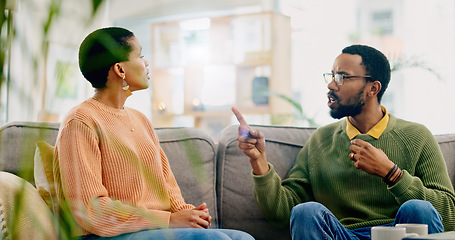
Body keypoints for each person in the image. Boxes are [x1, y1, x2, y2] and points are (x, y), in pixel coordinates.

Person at [232, 44, 455, 240]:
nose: (331, 85)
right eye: (331, 76)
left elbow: (449, 215)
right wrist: (259, 161)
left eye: (342, 77)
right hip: (342, 235)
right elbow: (282, 214)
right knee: (305, 212)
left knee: (418, 208)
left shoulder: (416, 136)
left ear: (373, 88)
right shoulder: (321, 140)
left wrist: (392, 174)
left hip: (399, 234)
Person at [53, 27, 254, 240]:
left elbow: (167, 186)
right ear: (120, 69)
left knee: (243, 238)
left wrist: (189, 214)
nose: (146, 62)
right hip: (103, 236)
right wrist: (167, 220)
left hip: (155, 230)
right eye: (140, 55)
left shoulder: (141, 119)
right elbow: (90, 209)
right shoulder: (80, 121)